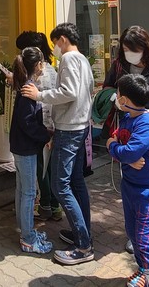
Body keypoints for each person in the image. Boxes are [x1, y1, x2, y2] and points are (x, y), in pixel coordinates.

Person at [21, 22, 94, 266]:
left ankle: (83, 245)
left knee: (60, 185)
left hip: (69, 127)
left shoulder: (69, 59)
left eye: (55, 43)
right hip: (81, 125)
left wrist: (39, 95)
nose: (55, 48)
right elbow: (86, 91)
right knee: (75, 182)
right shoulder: (83, 59)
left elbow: (68, 91)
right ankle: (83, 233)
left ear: (62, 39)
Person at [103, 25, 149, 253]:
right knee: (130, 179)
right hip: (125, 128)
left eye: (133, 49)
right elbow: (107, 88)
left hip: (147, 133)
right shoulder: (119, 65)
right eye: (125, 49)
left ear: (145, 48)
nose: (129, 53)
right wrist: (113, 98)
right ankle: (137, 229)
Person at [106, 74, 149, 287]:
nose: (116, 97)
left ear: (125, 99)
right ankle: (143, 272)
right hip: (130, 186)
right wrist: (123, 153)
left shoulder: (146, 123)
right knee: (133, 234)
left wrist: (114, 147)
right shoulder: (128, 117)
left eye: (118, 93)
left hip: (148, 191)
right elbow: (119, 140)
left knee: (146, 242)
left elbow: (128, 151)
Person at [9, 47, 53, 255]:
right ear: (38, 65)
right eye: (42, 62)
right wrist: (46, 135)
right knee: (28, 192)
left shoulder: (25, 85)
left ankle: (25, 230)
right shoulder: (28, 89)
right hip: (25, 148)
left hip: (20, 146)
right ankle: (27, 238)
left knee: (22, 190)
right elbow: (27, 122)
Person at [16, 31, 61, 222]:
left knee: (41, 168)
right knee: (50, 167)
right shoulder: (52, 70)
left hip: (40, 127)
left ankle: (45, 206)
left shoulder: (36, 75)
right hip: (52, 124)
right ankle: (55, 206)